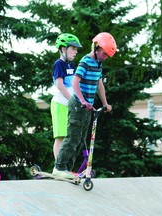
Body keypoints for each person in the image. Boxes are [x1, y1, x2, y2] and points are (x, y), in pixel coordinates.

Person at [52, 32, 117, 178]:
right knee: (72, 137)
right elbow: (75, 82)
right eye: (104, 53)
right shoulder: (85, 61)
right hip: (78, 104)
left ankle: (67, 169)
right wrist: (82, 101)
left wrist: (105, 103)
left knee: (80, 140)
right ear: (96, 48)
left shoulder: (98, 64)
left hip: (88, 106)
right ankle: (59, 167)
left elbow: (99, 84)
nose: (105, 57)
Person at [50, 33, 82, 160]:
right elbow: (60, 85)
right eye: (73, 48)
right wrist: (73, 100)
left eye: (76, 49)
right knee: (60, 136)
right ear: (63, 49)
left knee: (68, 137)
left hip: (69, 104)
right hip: (59, 104)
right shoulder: (59, 64)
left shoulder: (71, 65)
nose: (76, 52)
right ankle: (58, 166)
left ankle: (63, 165)